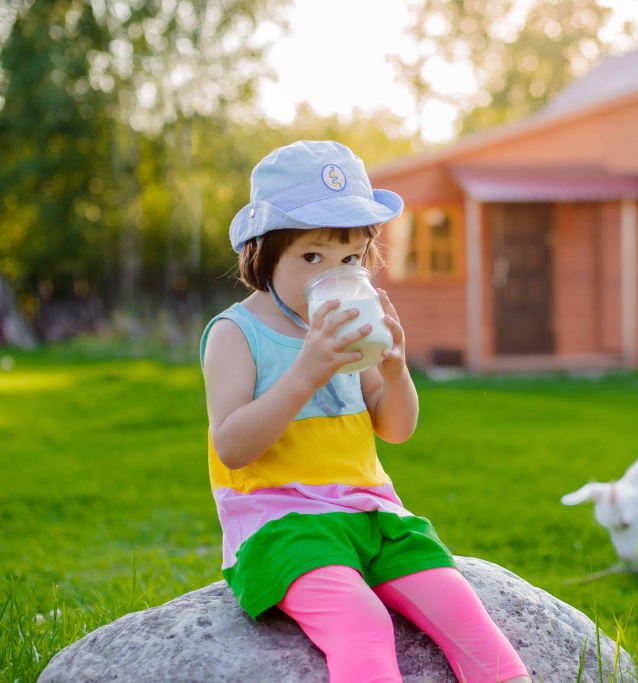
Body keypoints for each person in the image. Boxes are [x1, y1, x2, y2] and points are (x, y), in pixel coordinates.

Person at [200, 141, 530, 683]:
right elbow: (233, 446)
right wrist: (306, 371)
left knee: (463, 611)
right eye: (312, 257)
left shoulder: (355, 322)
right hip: (283, 523)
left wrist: (397, 372)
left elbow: (394, 429)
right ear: (263, 253)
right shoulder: (237, 334)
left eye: (350, 259)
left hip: (373, 515)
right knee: (362, 623)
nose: (333, 273)